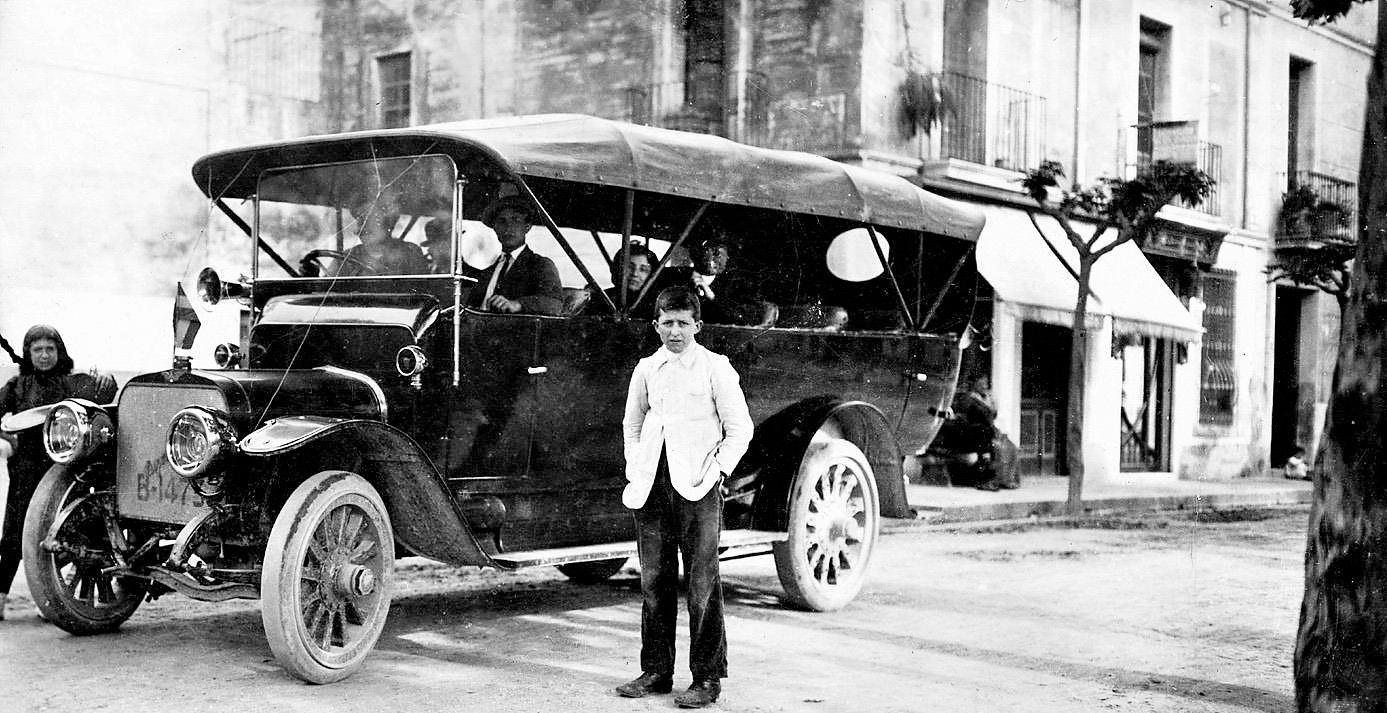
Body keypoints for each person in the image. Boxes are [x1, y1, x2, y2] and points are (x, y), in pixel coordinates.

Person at [617, 287, 752, 708]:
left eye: (683, 323)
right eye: (667, 322)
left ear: (697, 325)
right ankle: (657, 671)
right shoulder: (646, 368)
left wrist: (718, 470)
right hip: (651, 488)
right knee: (654, 582)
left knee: (701, 584)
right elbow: (633, 423)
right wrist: (636, 466)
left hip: (697, 486)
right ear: (655, 325)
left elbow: (740, 429)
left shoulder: (715, 368)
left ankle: (707, 679)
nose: (675, 331)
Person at [0, 325, 116, 620]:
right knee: (14, 534)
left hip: (65, 472)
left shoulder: (73, 383)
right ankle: (0, 596)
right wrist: (8, 440)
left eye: (50, 349)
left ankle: (53, 598)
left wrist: (107, 380)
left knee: (71, 533)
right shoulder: (18, 387)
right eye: (37, 350)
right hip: (26, 471)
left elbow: (105, 394)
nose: (43, 355)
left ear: (59, 352)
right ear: (28, 353)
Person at [466, 197, 563, 315]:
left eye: (516, 220)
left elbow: (554, 304)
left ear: (527, 227)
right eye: (502, 221)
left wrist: (518, 304)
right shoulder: (487, 272)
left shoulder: (540, 265)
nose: (508, 227)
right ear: (495, 228)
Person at [665, 237, 775, 326]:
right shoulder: (678, 278)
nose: (719, 258)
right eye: (714, 252)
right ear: (695, 254)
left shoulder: (737, 284)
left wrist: (712, 296)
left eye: (723, 254)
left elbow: (740, 317)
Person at [337, 191, 430, 277]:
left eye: (367, 219)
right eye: (358, 220)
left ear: (389, 222)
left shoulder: (410, 253)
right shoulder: (346, 258)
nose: (358, 229)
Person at [586, 242, 659, 319]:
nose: (635, 274)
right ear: (617, 268)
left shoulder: (657, 305)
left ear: (651, 274)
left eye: (643, 269)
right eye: (629, 267)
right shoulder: (600, 299)